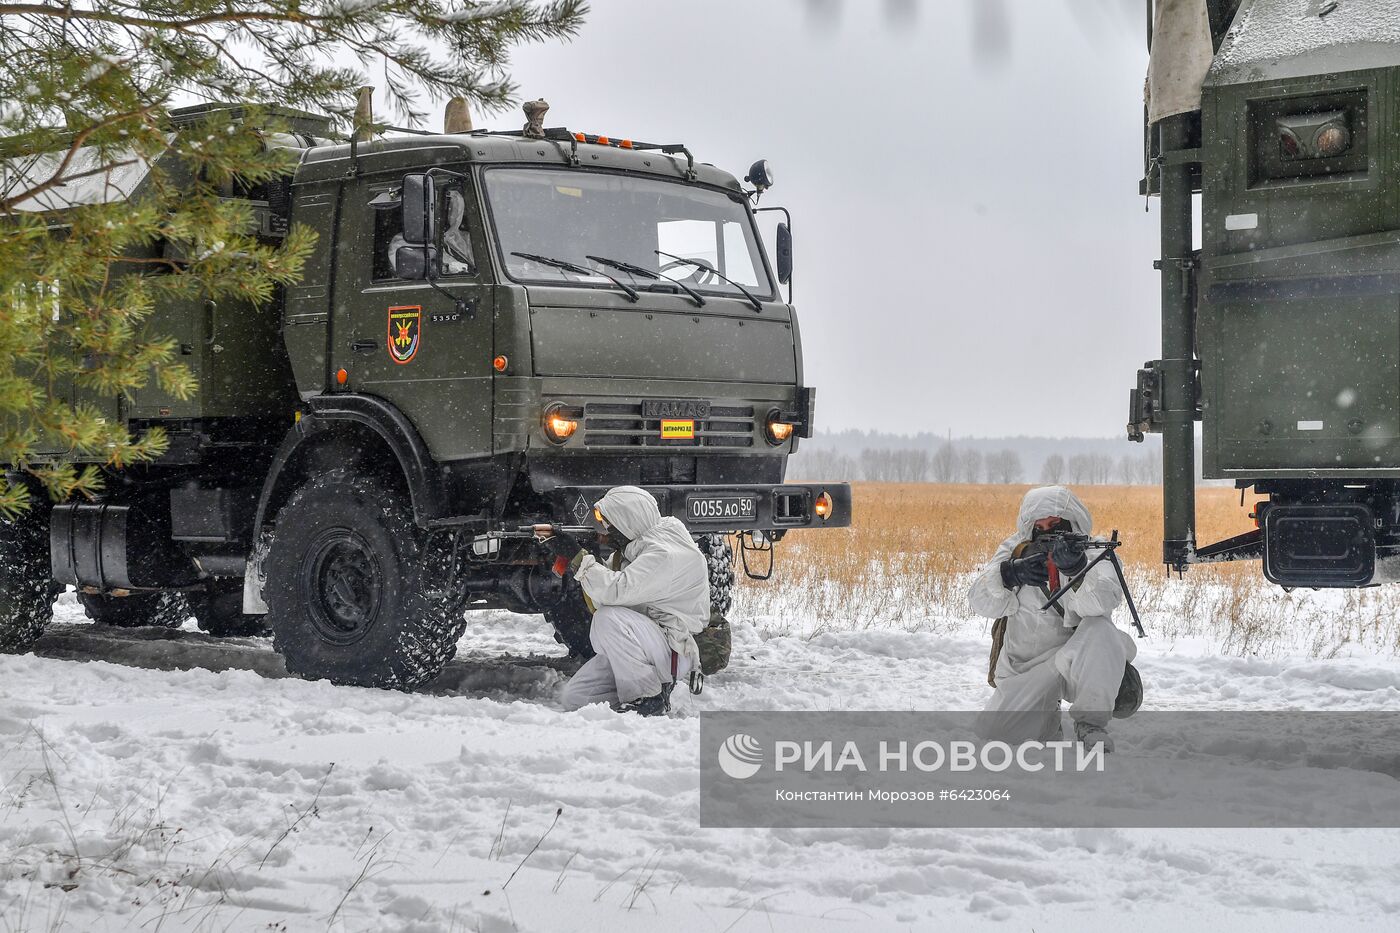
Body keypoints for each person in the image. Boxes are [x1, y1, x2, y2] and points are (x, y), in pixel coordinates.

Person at [968, 485, 1142, 751]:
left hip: (1074, 661)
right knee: (997, 736)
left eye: (1055, 524)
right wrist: (1009, 574)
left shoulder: (1095, 550)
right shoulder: (1014, 549)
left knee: (1100, 628)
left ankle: (1090, 725)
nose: (1047, 531)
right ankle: (1048, 723)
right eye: (1040, 526)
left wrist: (1077, 569)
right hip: (1025, 669)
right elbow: (980, 602)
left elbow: (1103, 601)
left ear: (1071, 522)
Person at [540, 486, 709, 716]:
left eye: (610, 525)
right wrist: (585, 556)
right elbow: (602, 596)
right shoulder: (636, 548)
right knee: (577, 697)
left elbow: (613, 592)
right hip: (643, 644)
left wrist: (578, 556)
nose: (606, 533)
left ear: (629, 521)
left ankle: (648, 697)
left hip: (672, 649)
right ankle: (633, 697)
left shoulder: (664, 554)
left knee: (608, 619)